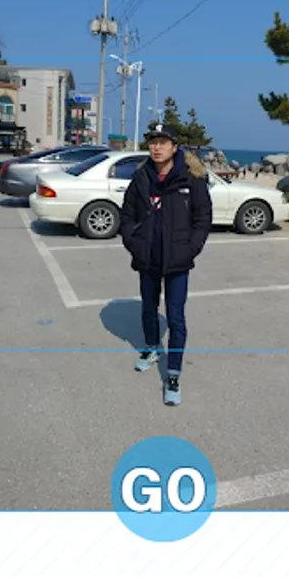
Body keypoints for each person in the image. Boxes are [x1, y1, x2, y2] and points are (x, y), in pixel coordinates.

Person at [120, 124, 212, 406]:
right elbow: (127, 215)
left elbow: (202, 218)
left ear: (174, 147)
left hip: (177, 261)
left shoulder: (191, 179)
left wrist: (190, 250)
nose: (157, 147)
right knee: (148, 309)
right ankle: (151, 348)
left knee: (175, 318)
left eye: (163, 142)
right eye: (152, 142)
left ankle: (173, 374)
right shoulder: (141, 178)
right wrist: (134, 243)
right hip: (147, 257)